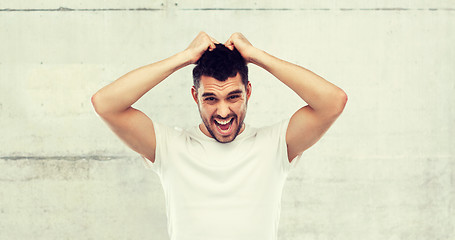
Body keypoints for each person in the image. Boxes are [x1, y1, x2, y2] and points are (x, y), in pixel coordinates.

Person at [91, 31, 347, 240]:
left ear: (248, 92)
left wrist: (256, 56)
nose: (223, 111)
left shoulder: (275, 145)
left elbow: (333, 102)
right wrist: (184, 57)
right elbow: (105, 103)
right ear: (195, 96)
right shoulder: (170, 147)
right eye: (211, 98)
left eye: (233, 97)